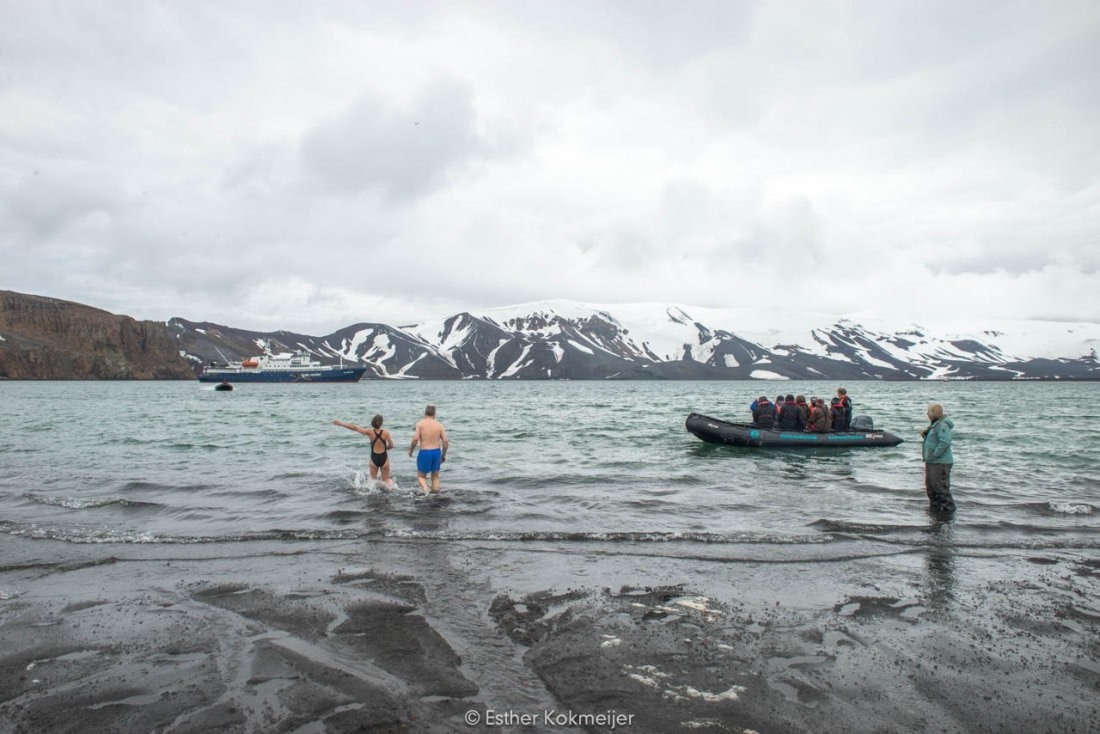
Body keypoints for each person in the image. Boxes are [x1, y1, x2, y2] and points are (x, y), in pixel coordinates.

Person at [333, 415, 396, 488]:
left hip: (374, 458)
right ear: (381, 423)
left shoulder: (370, 432)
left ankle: (372, 493)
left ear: (373, 423)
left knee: (373, 481)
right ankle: (394, 490)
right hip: (384, 457)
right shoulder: (386, 433)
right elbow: (391, 445)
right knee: (387, 480)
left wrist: (341, 424)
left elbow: (355, 428)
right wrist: (386, 448)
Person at [921, 403, 956, 515]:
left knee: (941, 489)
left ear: (934, 414)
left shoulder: (942, 425)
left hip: (940, 462)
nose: (927, 414)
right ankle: (935, 511)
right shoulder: (934, 425)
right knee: (931, 489)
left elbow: (945, 442)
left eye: (929, 412)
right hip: (931, 461)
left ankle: (948, 513)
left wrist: (934, 454)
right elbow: (934, 439)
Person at [409, 405, 449, 494]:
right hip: (436, 452)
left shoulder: (420, 424)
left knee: (421, 476)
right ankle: (435, 495)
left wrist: (411, 450)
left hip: (425, 452)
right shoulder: (439, 425)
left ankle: (426, 490)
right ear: (434, 414)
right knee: (435, 477)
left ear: (425, 413)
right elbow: (445, 441)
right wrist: (444, 455)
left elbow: (415, 438)